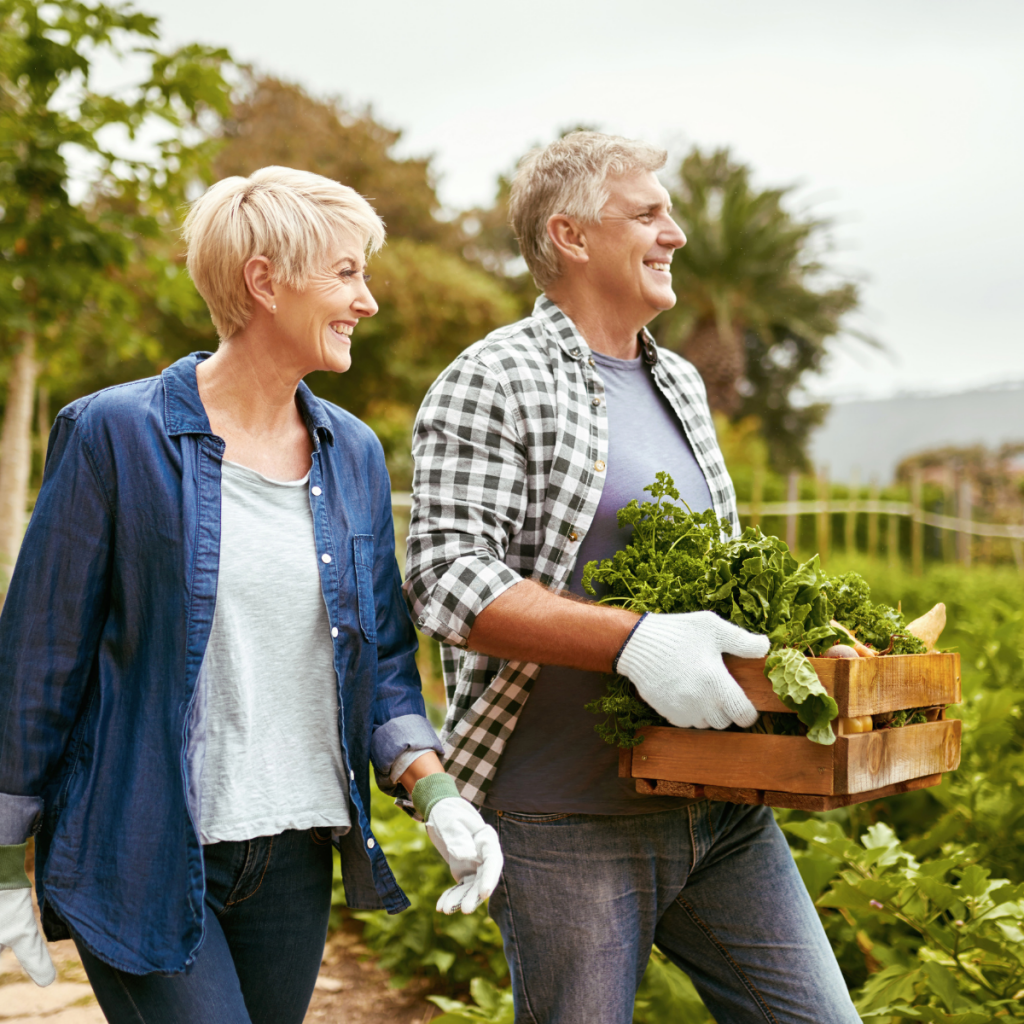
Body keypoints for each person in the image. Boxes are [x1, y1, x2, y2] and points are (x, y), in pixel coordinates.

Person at [0, 166, 501, 1024]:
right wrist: (7, 861)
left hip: (295, 855)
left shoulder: (352, 453)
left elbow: (382, 659)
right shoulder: (115, 434)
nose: (368, 300)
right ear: (265, 281)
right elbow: (39, 660)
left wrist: (437, 796)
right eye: (346, 273)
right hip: (141, 850)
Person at [404, 132, 859, 1024]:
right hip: (566, 822)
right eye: (648, 214)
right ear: (570, 236)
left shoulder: (679, 381)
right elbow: (446, 575)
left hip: (716, 802)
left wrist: (798, 652)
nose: (675, 234)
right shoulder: (493, 378)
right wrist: (635, 641)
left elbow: (717, 578)